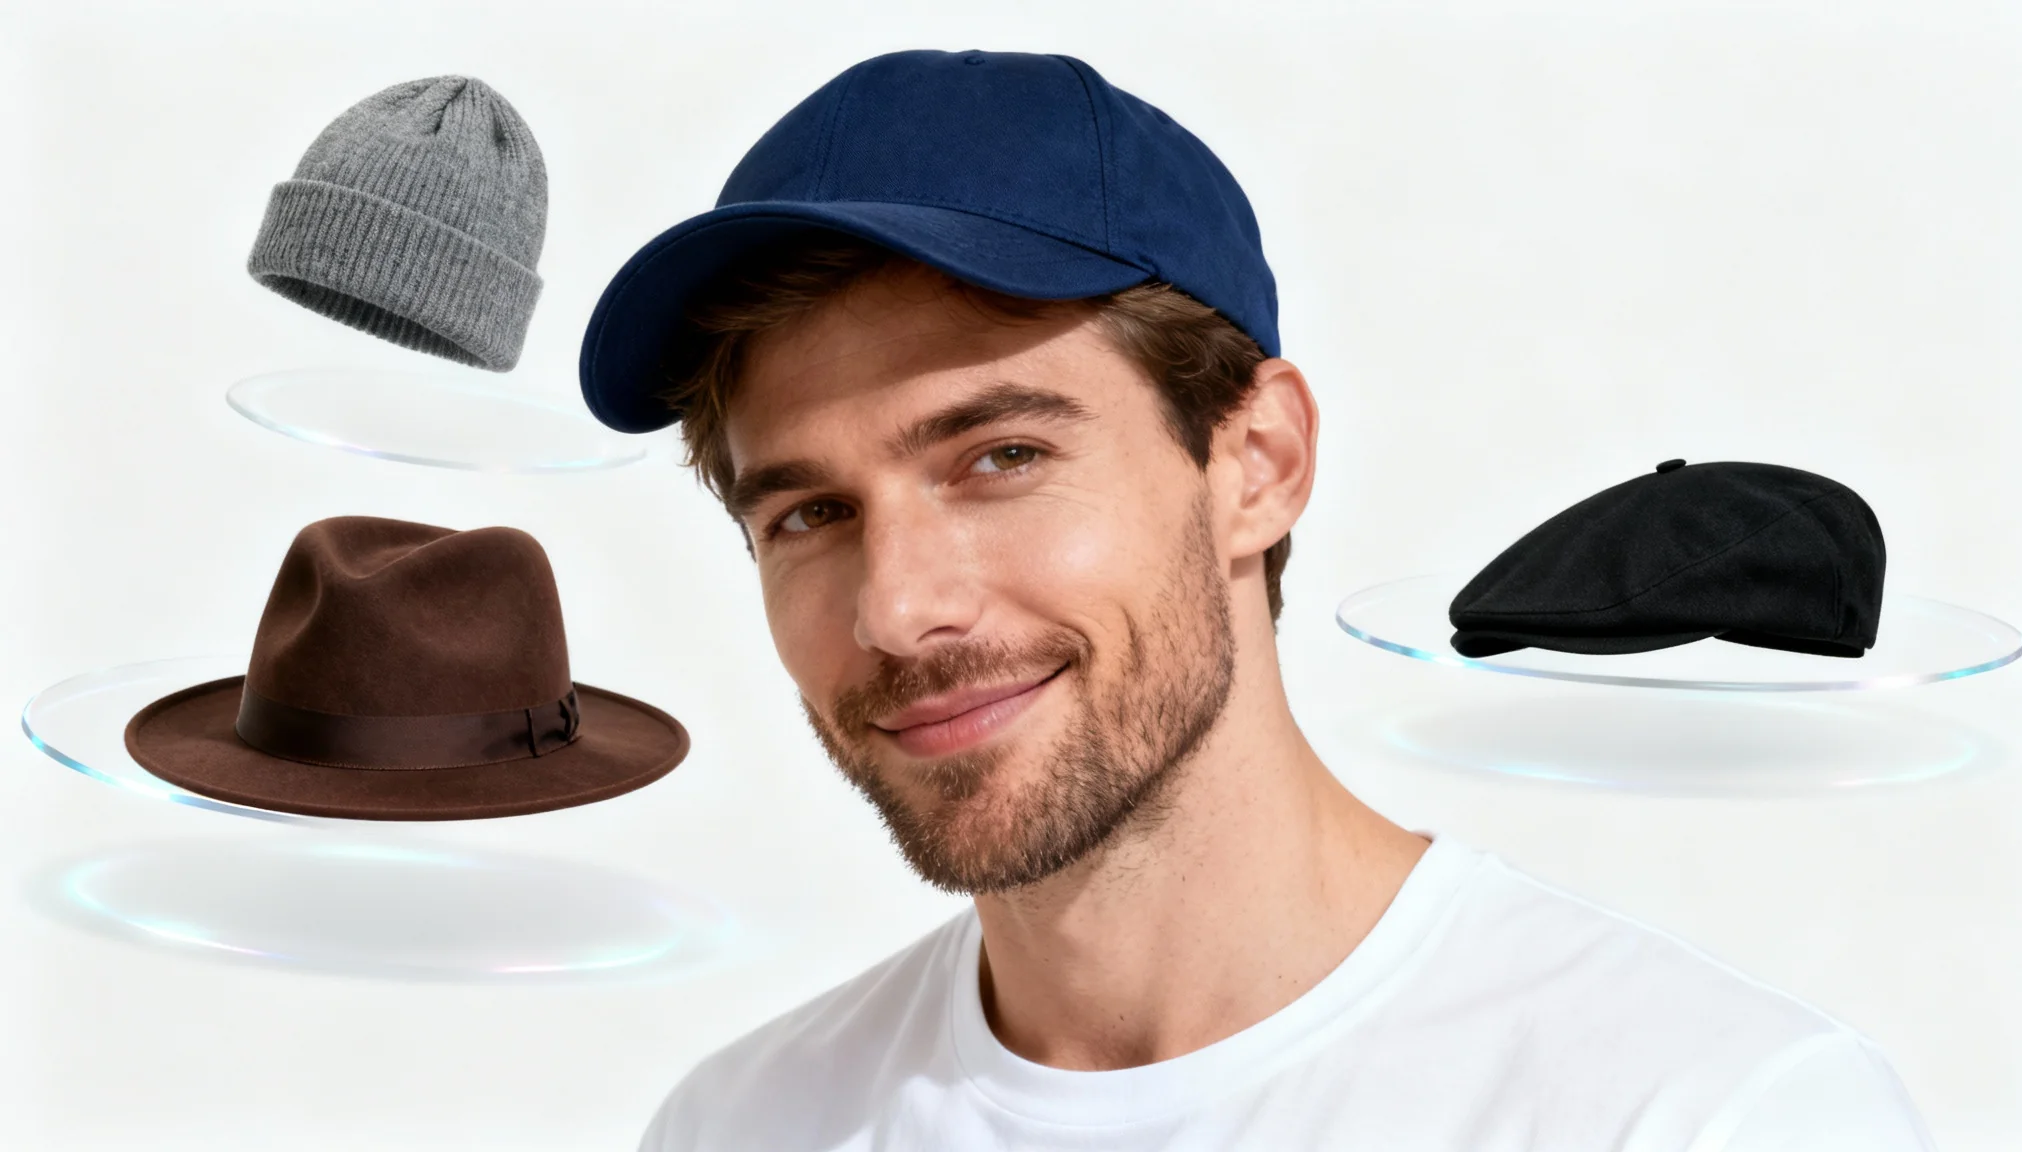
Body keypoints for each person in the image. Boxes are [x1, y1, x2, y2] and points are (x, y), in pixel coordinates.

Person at [579, 49, 1935, 1152]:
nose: (899, 608)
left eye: (1001, 458)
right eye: (810, 513)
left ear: (1258, 465)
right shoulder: (742, 1125)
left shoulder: (1703, 1112)